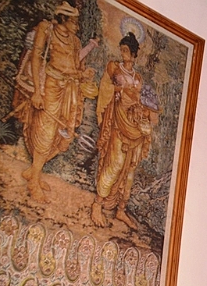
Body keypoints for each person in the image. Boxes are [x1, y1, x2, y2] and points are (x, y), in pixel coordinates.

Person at [15, 1, 98, 202]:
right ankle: (34, 180)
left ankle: (34, 170)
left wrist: (83, 74)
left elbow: (74, 65)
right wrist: (37, 90)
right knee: (46, 132)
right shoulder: (47, 29)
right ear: (64, 18)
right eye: (74, 22)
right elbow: (36, 57)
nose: (77, 26)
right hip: (51, 86)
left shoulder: (76, 41)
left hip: (70, 90)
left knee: (64, 136)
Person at [91, 31, 157, 229]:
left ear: (134, 54)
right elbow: (105, 87)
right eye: (122, 49)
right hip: (118, 122)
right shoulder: (113, 67)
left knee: (129, 170)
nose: (123, 53)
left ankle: (121, 209)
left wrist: (141, 110)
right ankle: (98, 205)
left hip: (134, 125)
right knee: (115, 163)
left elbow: (138, 100)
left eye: (127, 51)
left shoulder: (138, 78)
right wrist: (120, 91)